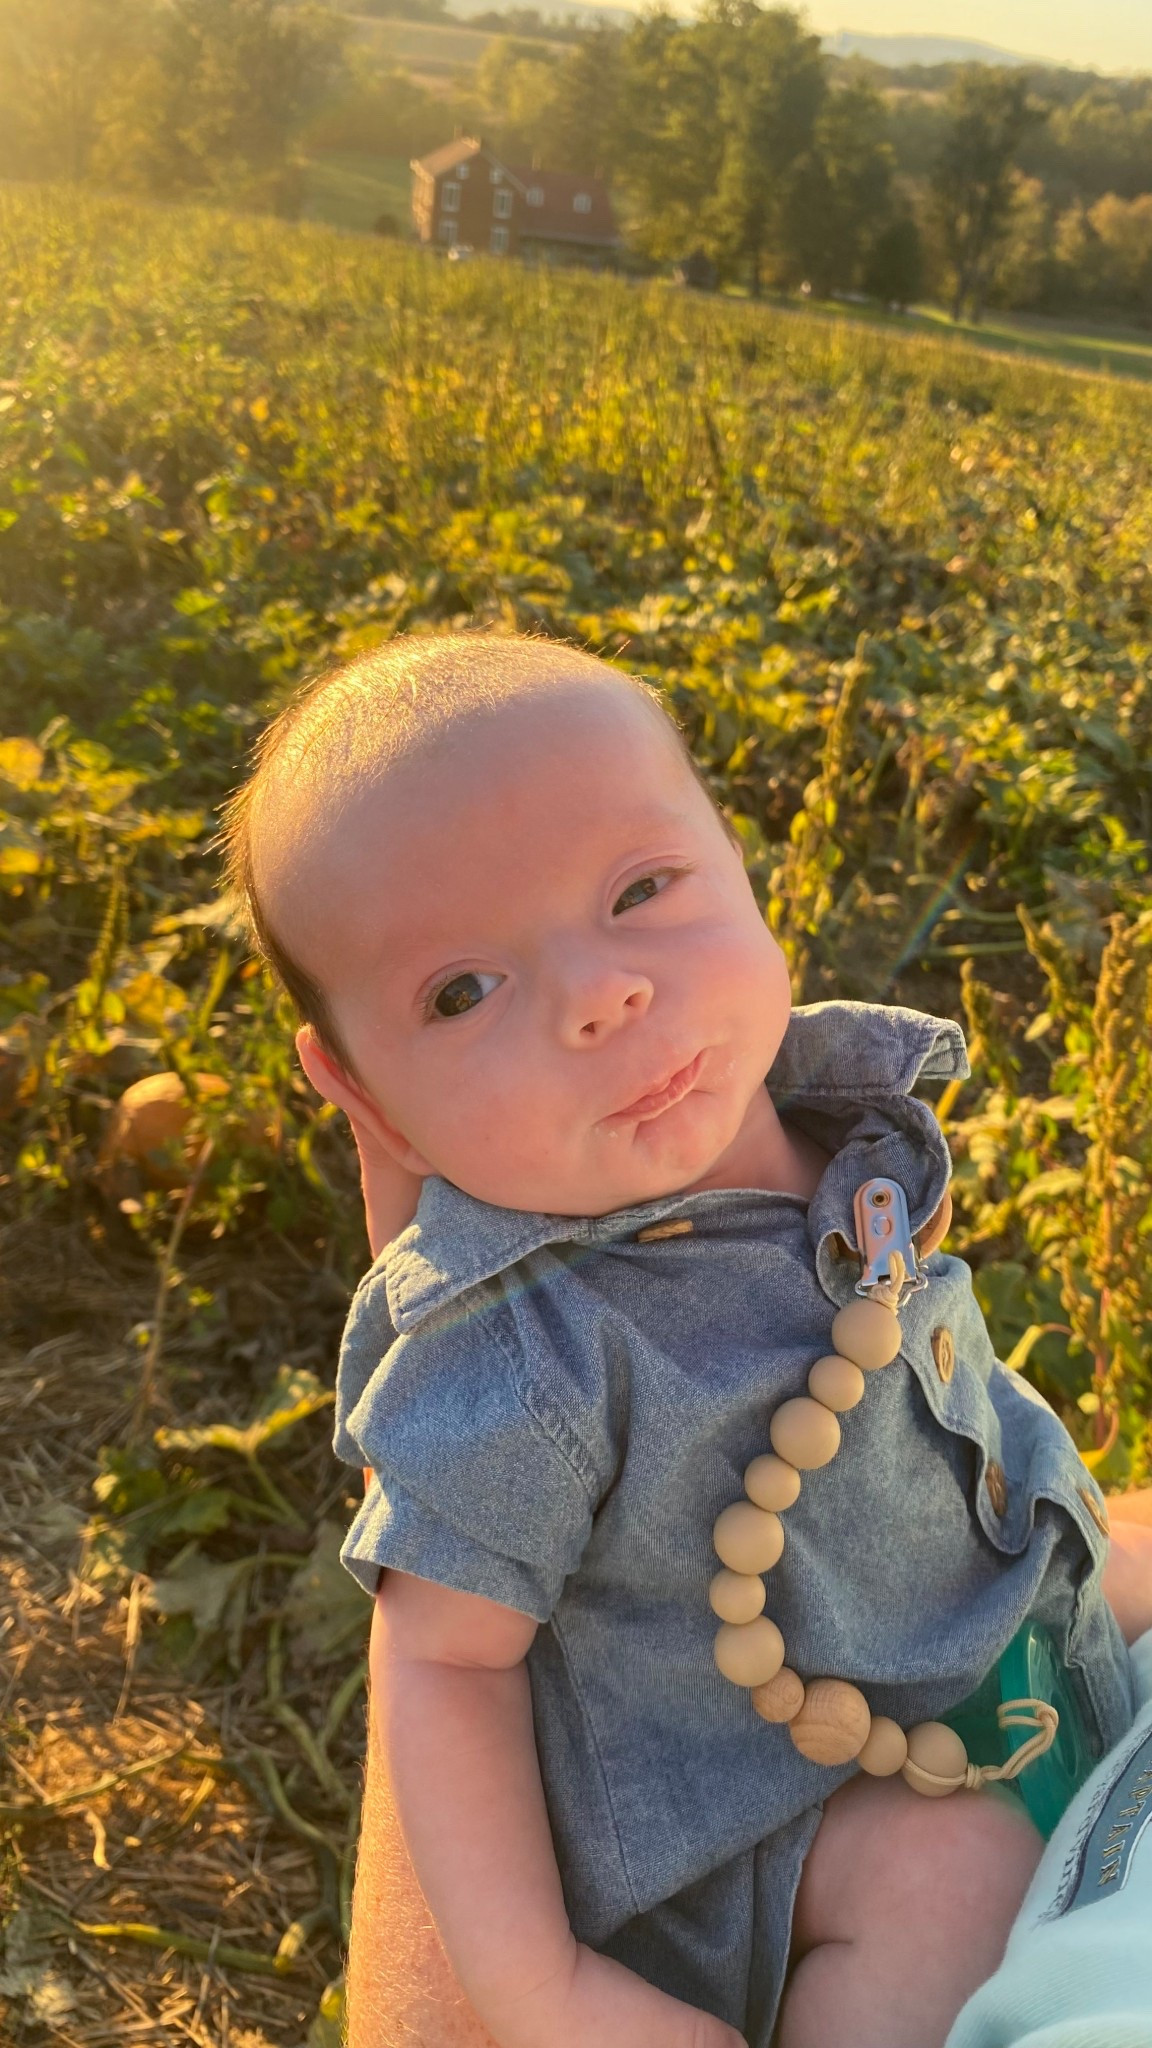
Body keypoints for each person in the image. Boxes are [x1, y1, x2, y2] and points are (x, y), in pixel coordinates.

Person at [223, 633, 1152, 2048]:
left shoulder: (835, 1114)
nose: (603, 994)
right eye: (462, 992)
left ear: (739, 858)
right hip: (766, 1821)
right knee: (945, 1880)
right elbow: (444, 1670)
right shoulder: (518, 1354)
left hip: (988, 1657)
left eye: (642, 891)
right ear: (365, 1095)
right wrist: (541, 1992)